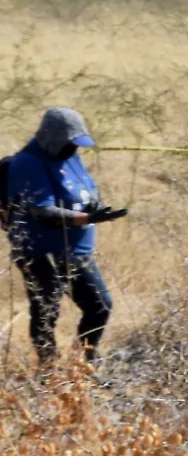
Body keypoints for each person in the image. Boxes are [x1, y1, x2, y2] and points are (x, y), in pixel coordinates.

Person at [4, 107, 125, 365]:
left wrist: (94, 206)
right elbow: (43, 212)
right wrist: (88, 219)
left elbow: (83, 190)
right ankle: (48, 373)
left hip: (76, 252)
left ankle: (84, 365)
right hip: (40, 252)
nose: (74, 148)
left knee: (99, 306)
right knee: (47, 312)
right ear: (53, 137)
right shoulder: (28, 162)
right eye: (70, 142)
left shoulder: (69, 156)